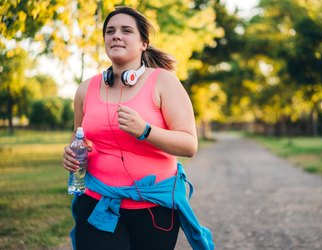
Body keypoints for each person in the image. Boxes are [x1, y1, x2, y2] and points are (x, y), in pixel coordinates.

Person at [62, 6, 213, 250]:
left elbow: (189, 145)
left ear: (143, 43)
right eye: (110, 31)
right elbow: (80, 141)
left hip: (154, 207)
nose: (116, 35)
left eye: (126, 30)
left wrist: (145, 130)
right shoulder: (85, 89)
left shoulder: (164, 82)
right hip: (98, 202)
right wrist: (73, 157)